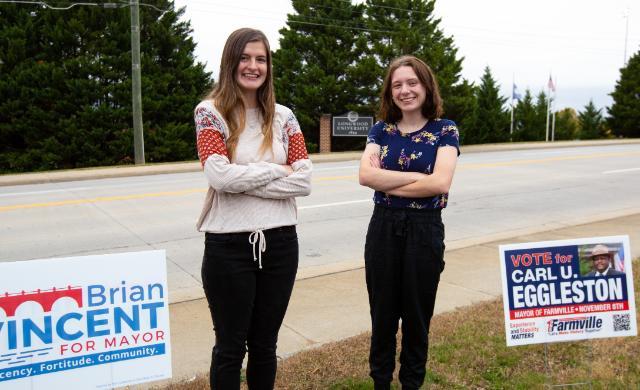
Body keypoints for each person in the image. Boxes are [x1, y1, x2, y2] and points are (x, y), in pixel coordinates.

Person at [193, 28, 312, 389]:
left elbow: (304, 180)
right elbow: (219, 177)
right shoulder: (210, 113)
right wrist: (278, 169)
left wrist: (243, 176)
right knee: (230, 348)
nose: (253, 66)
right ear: (231, 62)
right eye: (245, 57)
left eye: (260, 59)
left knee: (265, 345)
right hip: (228, 246)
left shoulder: (284, 117)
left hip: (280, 243)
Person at [358, 55, 459, 390]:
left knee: (417, 318)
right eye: (397, 84)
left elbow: (441, 183)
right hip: (383, 228)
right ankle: (381, 383)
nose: (405, 90)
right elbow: (364, 175)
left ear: (426, 86)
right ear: (390, 91)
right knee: (382, 316)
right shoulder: (380, 130)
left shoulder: (444, 130)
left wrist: (387, 179)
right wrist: (420, 176)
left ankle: (412, 384)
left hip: (424, 230)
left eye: (412, 82)